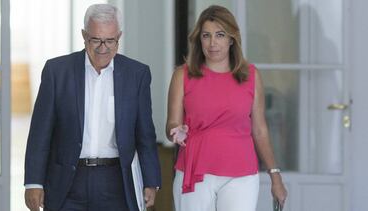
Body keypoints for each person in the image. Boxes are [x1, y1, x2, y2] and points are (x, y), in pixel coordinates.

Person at [24, 4, 161, 211]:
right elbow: (40, 132)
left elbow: (145, 134)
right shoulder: (57, 71)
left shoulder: (137, 74)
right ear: (84, 35)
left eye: (110, 40)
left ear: (119, 37)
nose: (102, 47)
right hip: (67, 181)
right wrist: (34, 182)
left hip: (116, 181)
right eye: (95, 39)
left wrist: (151, 180)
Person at [166, 5, 287, 211]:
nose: (213, 43)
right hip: (195, 170)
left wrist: (275, 176)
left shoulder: (251, 75)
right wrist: (177, 130)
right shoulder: (182, 75)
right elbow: (172, 124)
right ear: (199, 39)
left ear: (231, 39)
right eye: (206, 35)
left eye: (220, 35)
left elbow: (260, 130)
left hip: (241, 174)